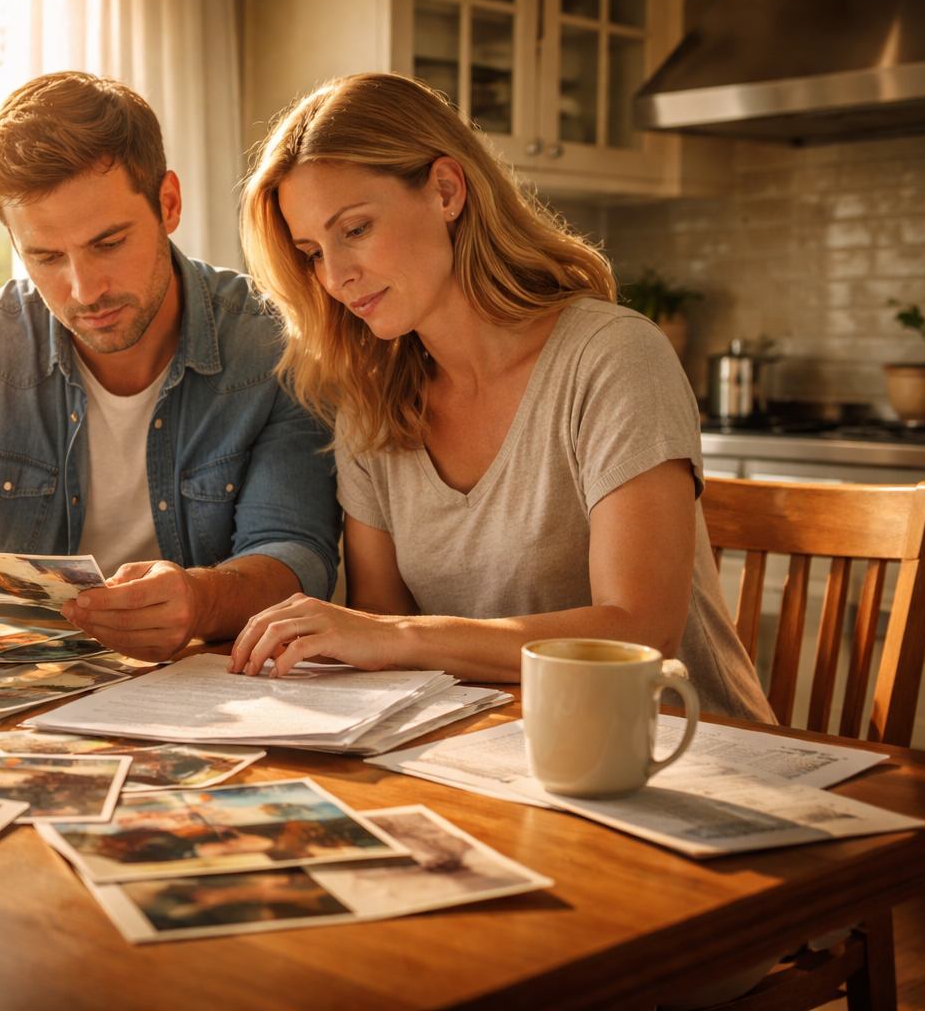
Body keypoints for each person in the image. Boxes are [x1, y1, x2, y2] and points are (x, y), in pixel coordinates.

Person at [226, 72, 773, 724]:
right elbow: (382, 631)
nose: (335, 276)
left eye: (357, 229)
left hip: (682, 754)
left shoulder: (614, 357)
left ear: (446, 190)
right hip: (490, 750)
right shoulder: (373, 405)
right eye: (312, 251)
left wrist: (392, 637)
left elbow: (638, 633)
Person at [0, 71, 341, 662]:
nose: (85, 290)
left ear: (168, 203)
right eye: (46, 256)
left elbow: (295, 553)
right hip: (22, 699)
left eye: (109, 243)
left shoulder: (275, 342)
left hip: (207, 692)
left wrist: (201, 600)